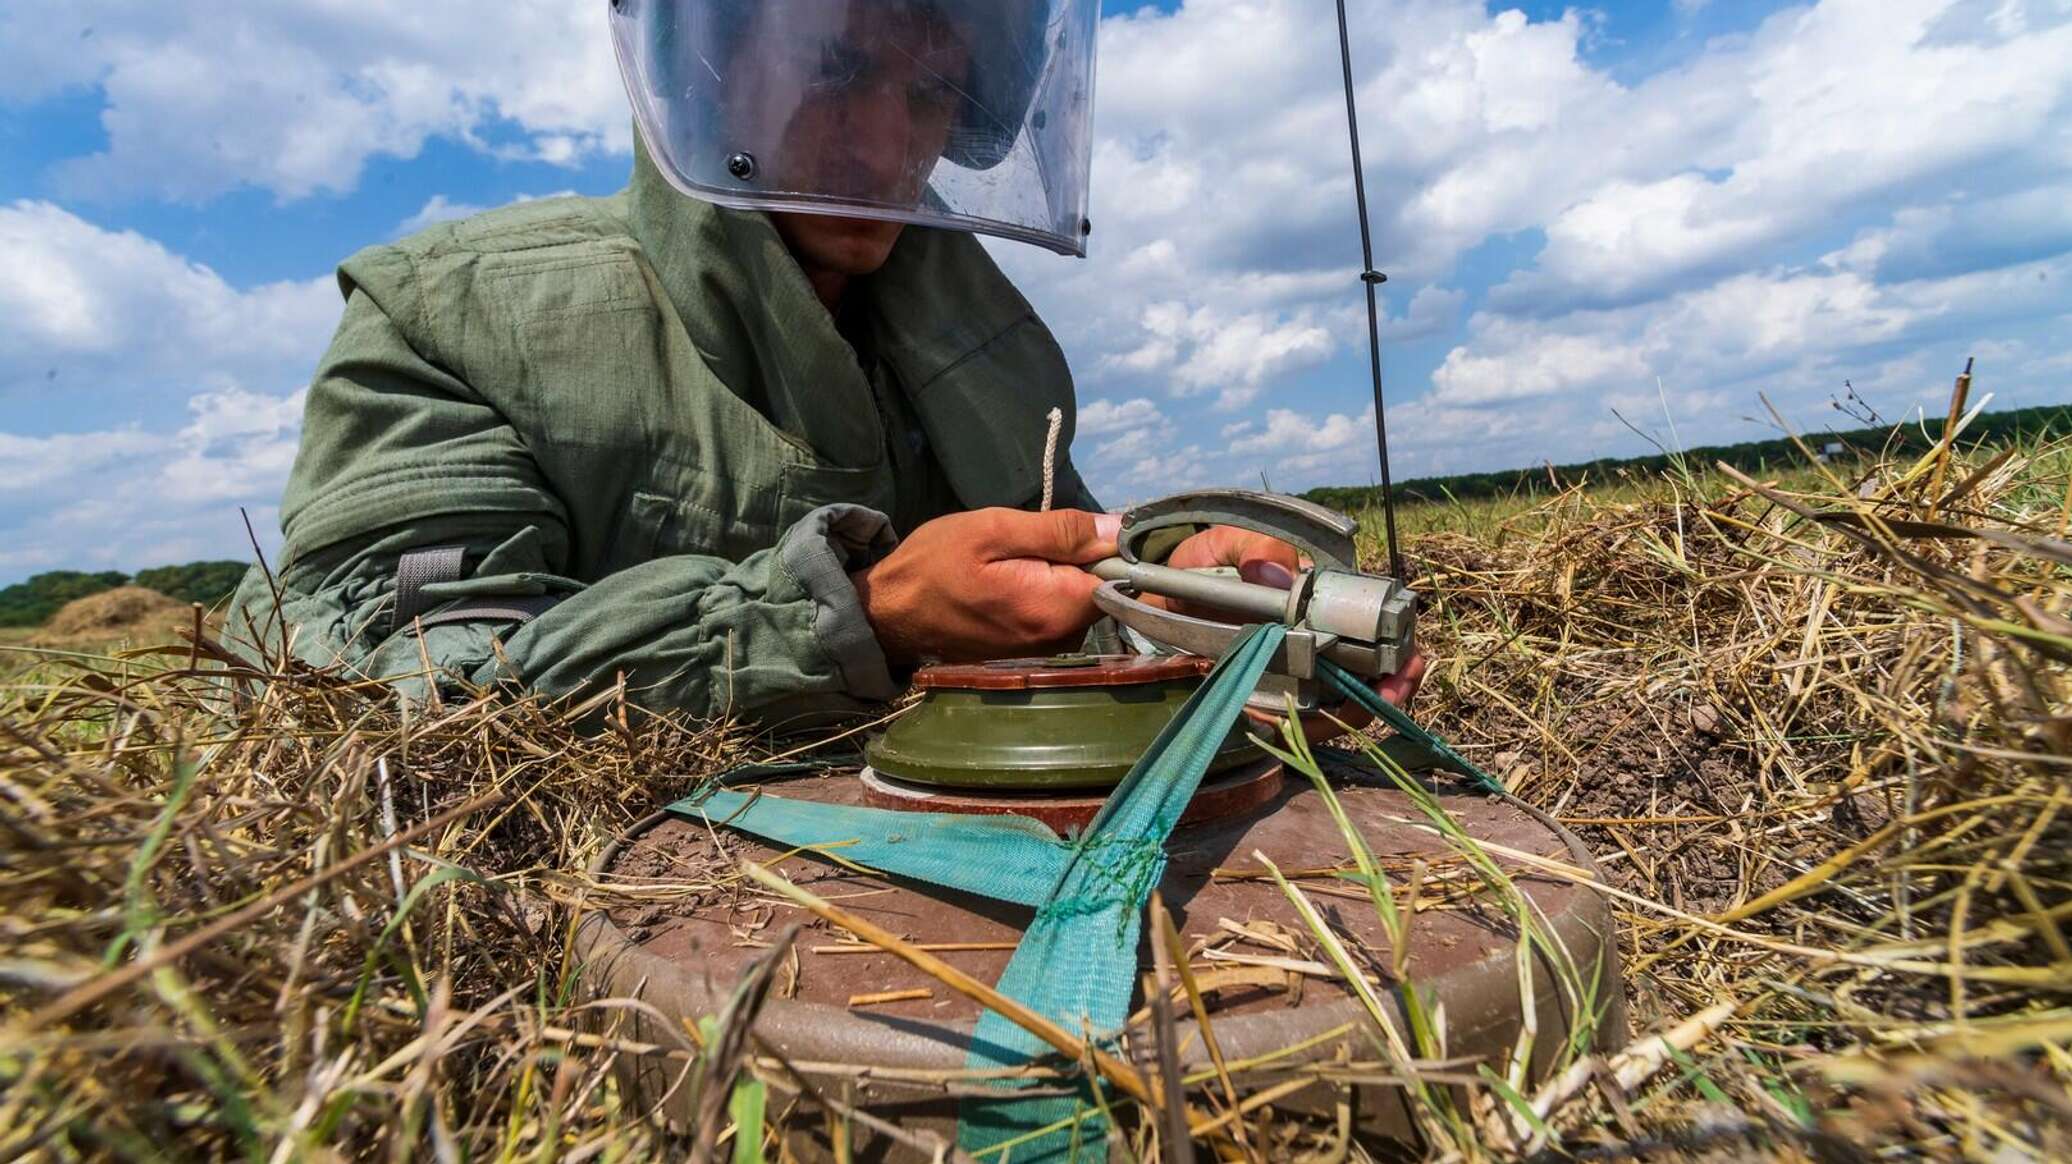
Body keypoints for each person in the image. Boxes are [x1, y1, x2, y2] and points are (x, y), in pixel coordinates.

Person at [229, 0, 1424, 728]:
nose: (887, 142)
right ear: (705, 72)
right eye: (840, 70)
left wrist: (1176, 583)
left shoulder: (985, 343)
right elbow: (361, 676)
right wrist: (844, 618)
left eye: (933, 92)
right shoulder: (458, 313)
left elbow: (1057, 565)